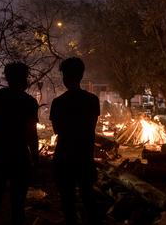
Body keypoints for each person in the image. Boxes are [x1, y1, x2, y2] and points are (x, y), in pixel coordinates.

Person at [0, 62, 39, 225]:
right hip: (20, 157)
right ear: (24, 78)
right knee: (18, 205)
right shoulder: (29, 101)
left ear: (7, 77)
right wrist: (35, 157)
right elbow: (31, 133)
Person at [49, 57, 101, 225]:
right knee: (88, 196)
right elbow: (90, 127)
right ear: (81, 76)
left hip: (64, 157)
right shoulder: (92, 100)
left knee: (67, 201)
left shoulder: (58, 103)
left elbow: (57, 131)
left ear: (65, 78)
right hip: (85, 157)